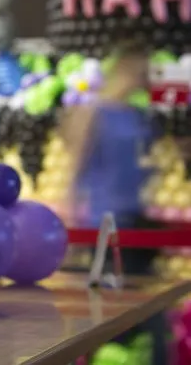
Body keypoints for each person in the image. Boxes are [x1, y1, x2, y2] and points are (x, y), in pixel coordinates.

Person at [61, 39, 166, 364]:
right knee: (109, 314)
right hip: (103, 224)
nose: (143, 79)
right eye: (139, 71)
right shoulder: (92, 111)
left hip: (135, 220)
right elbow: (75, 166)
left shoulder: (136, 115)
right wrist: (69, 220)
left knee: (149, 310)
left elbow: (145, 161)